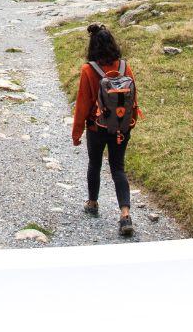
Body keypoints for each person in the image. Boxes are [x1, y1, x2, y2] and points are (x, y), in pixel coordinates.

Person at [72, 23, 140, 237]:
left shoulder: (88, 70)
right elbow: (133, 98)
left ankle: (92, 203)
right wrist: (129, 123)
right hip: (122, 127)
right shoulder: (124, 67)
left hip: (97, 127)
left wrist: (77, 133)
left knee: (95, 163)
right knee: (118, 168)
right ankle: (125, 214)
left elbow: (82, 104)